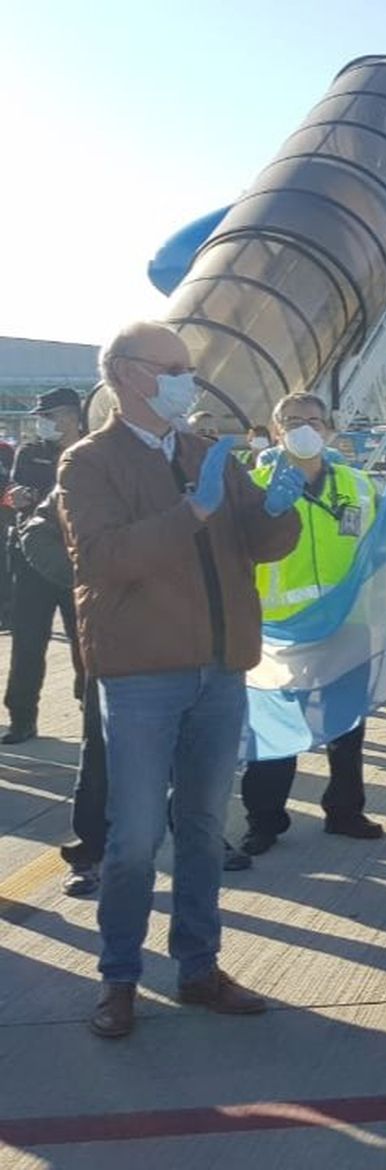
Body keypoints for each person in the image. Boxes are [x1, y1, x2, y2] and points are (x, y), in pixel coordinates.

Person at [57, 321, 304, 1039]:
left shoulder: (206, 453)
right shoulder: (89, 463)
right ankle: (119, 977)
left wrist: (279, 508)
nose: (186, 380)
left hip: (219, 668)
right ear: (128, 375)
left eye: (186, 368)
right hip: (141, 674)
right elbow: (104, 559)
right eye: (173, 368)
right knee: (133, 837)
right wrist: (191, 509)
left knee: (200, 829)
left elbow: (255, 543)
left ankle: (199, 966)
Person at [236, 394, 385, 856]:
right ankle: (264, 820)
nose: (305, 428)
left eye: (313, 421)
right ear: (276, 431)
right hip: (280, 629)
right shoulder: (251, 486)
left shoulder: (358, 485)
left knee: (346, 726)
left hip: (345, 624)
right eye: (294, 421)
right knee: (275, 730)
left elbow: (380, 548)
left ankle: (345, 811)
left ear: (329, 430)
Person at [15, 484, 106, 896]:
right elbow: (37, 530)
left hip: (194, 642)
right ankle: (91, 852)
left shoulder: (204, 463)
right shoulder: (96, 462)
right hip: (116, 643)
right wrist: (87, 578)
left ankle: (207, 842)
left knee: (193, 760)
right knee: (101, 754)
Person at [4, 387, 85, 744]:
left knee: (86, 642)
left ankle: (92, 707)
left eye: (49, 417)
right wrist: (16, 495)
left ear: (71, 416)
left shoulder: (92, 452)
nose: (43, 424)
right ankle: (22, 717)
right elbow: (17, 488)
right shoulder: (31, 452)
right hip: (32, 558)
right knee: (28, 641)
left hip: (79, 560)